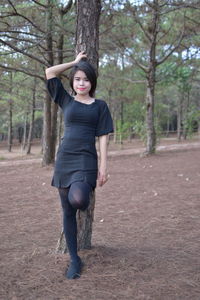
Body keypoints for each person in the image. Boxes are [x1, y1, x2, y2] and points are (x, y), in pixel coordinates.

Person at [45, 51, 114, 279]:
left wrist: (104, 166)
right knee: (67, 211)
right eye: (77, 79)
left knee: (79, 199)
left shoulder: (100, 106)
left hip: (86, 160)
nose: (81, 83)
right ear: (73, 82)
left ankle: (84, 203)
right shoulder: (66, 99)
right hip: (65, 158)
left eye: (85, 79)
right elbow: (50, 72)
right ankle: (75, 258)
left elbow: (103, 136)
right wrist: (75, 63)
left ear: (92, 82)